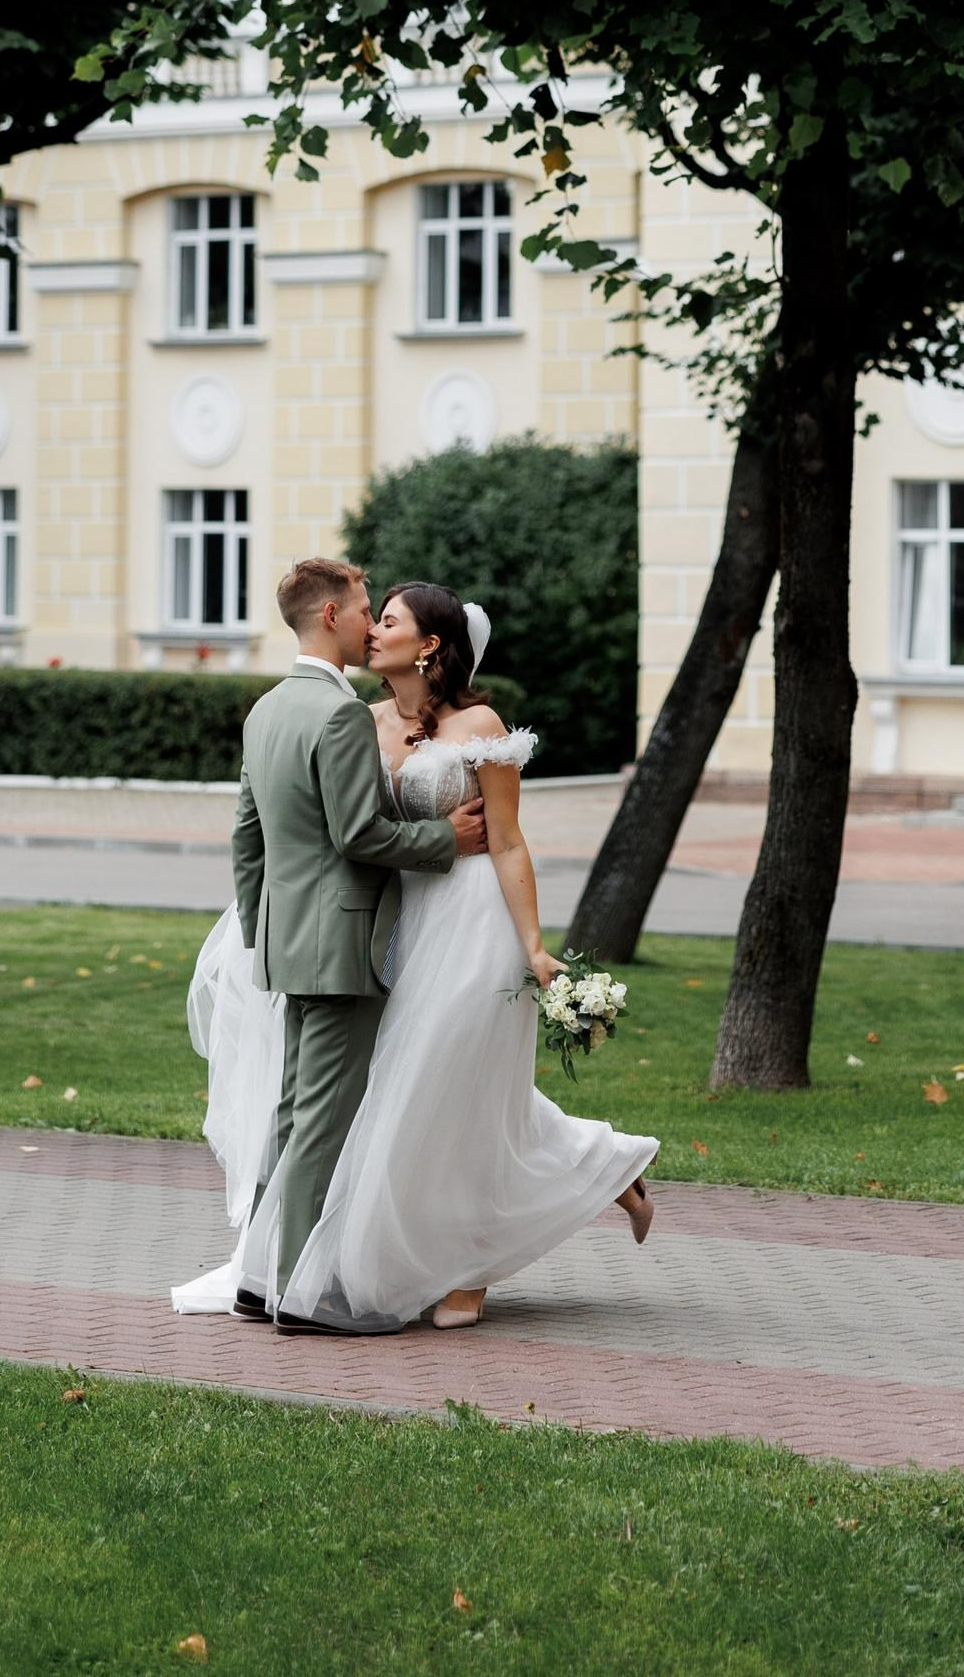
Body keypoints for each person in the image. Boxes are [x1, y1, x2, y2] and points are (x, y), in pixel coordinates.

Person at [175, 570, 656, 1334]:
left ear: (429, 645)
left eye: (387, 620)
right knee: (409, 1093)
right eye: (371, 616)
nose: (371, 630)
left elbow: (506, 841)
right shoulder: (353, 718)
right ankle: (600, 1170)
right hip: (390, 922)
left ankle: (464, 1268)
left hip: (468, 923)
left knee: (448, 1087)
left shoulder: (481, 725)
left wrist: (533, 946)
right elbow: (335, 829)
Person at [219, 554, 488, 1331]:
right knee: (323, 1122)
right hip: (342, 944)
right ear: (331, 614)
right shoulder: (338, 714)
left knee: (291, 1113)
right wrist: (443, 839)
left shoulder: (267, 709)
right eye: (367, 607)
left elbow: (247, 840)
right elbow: (358, 833)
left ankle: (256, 1276)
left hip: (286, 941)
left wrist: (259, 932)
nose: (373, 622)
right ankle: (303, 1293)